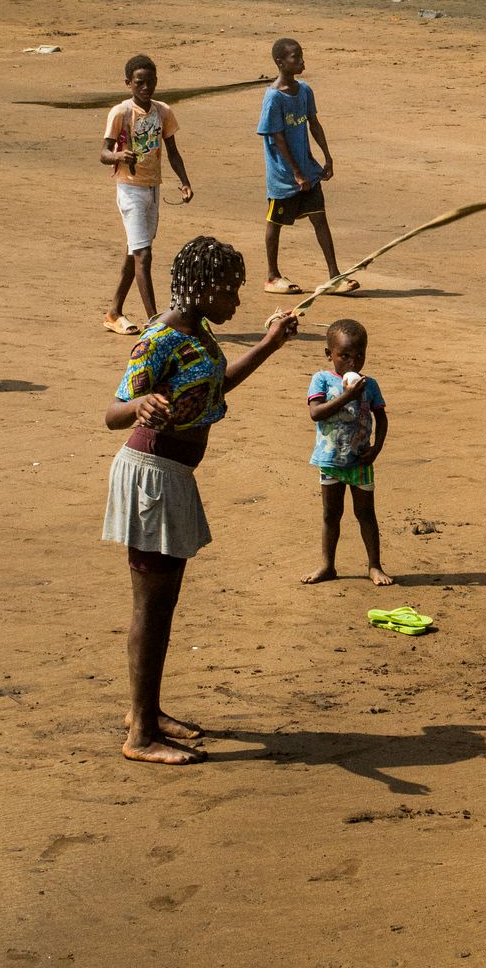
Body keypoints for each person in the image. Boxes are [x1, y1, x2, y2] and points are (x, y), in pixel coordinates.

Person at [102, 236, 299, 764]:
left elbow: (214, 388)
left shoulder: (199, 332)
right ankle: (140, 735)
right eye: (230, 291)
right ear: (204, 289)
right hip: (152, 477)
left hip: (172, 477)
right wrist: (140, 405)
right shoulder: (160, 338)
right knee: (151, 609)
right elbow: (113, 413)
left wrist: (270, 344)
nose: (236, 300)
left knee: (162, 606)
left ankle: (146, 711)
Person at [101, 53, 193, 334]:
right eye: (139, 82)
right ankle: (155, 320)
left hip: (153, 188)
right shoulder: (120, 113)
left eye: (150, 81)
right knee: (144, 254)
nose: (145, 87)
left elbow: (173, 151)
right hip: (130, 189)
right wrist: (119, 155)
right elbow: (104, 153)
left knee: (134, 252)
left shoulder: (163, 111)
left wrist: (185, 181)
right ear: (128, 83)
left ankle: (114, 312)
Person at [257, 37, 356, 295]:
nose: (301, 61)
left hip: (308, 169)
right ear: (280, 62)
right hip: (283, 175)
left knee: (319, 218)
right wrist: (296, 173)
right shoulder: (273, 98)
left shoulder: (304, 91)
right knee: (275, 222)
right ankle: (272, 276)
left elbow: (314, 123)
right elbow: (277, 138)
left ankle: (334, 275)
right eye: (295, 57)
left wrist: (327, 157)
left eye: (301, 56)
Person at [300, 318, 392, 586]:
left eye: (359, 355)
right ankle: (327, 565)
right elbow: (316, 413)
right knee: (331, 514)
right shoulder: (321, 379)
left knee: (366, 514)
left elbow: (381, 418)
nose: (353, 363)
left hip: (360, 461)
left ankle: (374, 565)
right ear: (329, 354)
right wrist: (347, 396)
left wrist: (377, 448)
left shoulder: (369, 385)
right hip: (330, 461)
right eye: (345, 356)